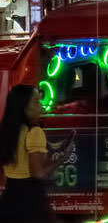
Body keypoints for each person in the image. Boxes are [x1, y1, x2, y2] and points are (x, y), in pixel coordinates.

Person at [0, 84, 53, 223]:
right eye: (36, 102)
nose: (41, 107)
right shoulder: (34, 132)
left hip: (8, 200)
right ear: (24, 108)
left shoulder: (6, 133)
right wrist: (61, 159)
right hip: (30, 203)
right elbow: (38, 173)